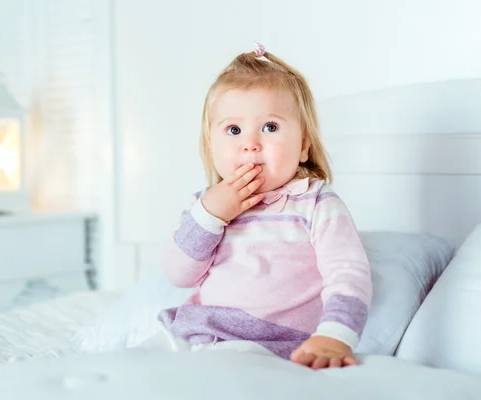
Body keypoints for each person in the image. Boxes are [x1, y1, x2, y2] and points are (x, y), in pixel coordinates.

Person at [155, 42, 372, 370]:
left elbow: (348, 272)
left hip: (273, 347)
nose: (250, 144)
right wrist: (210, 216)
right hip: (196, 332)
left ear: (302, 146)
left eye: (270, 127)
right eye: (233, 129)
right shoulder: (207, 205)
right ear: (211, 144)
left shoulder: (315, 203)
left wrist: (335, 335)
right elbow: (178, 274)